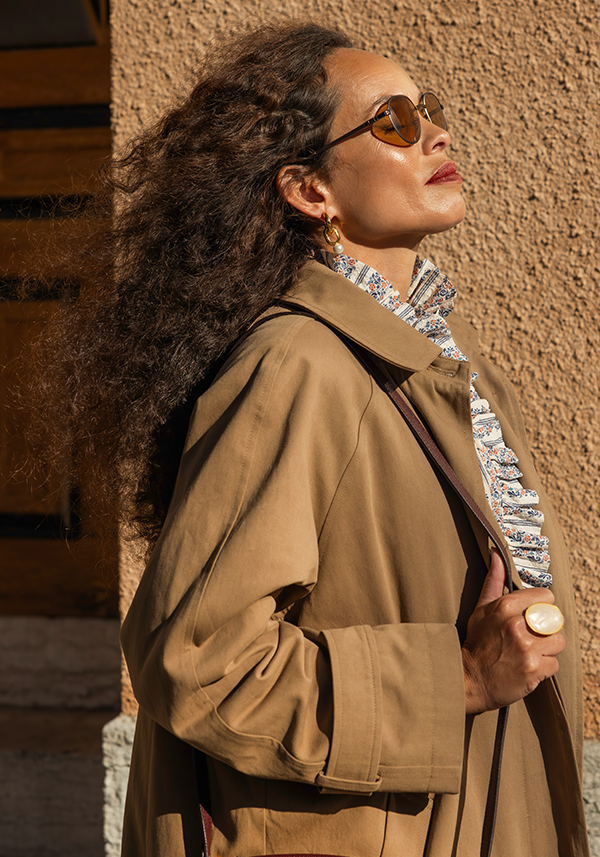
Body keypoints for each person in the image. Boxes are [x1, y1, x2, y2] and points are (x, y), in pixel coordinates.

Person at [31, 19, 588, 857]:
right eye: (394, 122)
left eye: (430, 110)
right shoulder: (297, 365)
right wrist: (459, 676)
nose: (436, 133)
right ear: (309, 189)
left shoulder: (440, 361)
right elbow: (196, 656)